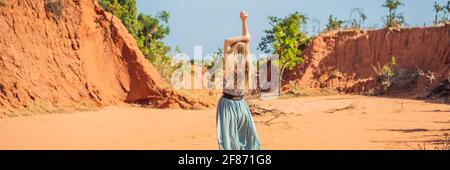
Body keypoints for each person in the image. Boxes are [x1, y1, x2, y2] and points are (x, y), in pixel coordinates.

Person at [216, 10, 261, 150]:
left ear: (233, 52)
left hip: (228, 105)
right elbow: (246, 44)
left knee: (229, 142)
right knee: (248, 141)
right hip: (241, 105)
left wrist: (245, 35)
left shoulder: (230, 64)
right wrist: (244, 22)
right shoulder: (247, 64)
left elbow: (227, 41)